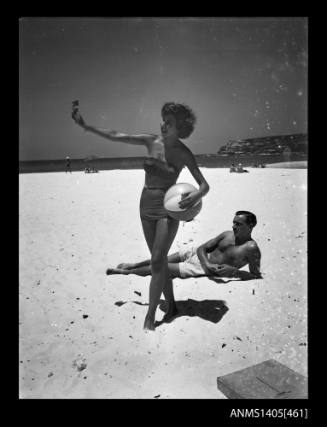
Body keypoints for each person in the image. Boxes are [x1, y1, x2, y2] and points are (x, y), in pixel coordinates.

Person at [72, 102, 210, 330]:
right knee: (159, 263)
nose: (163, 125)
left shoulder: (184, 153)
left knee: (157, 260)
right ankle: (172, 306)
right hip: (145, 206)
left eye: (170, 122)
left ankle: (150, 317)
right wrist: (87, 127)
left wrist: (194, 197)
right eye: (163, 120)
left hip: (168, 209)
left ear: (180, 128)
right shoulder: (151, 141)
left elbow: (204, 185)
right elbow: (117, 136)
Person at [106, 211, 261, 281]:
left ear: (250, 226)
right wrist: (206, 262)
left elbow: (255, 275)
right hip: (196, 255)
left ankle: (124, 273)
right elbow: (202, 248)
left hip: (198, 269)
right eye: (234, 222)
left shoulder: (251, 248)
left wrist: (233, 270)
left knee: (159, 268)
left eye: (238, 224)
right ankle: (133, 265)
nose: (234, 226)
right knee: (160, 259)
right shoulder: (227, 234)